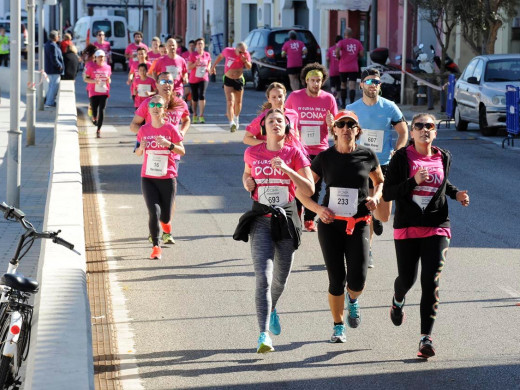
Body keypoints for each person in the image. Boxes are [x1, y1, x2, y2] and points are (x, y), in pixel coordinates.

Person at [382, 113, 470, 358]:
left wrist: (456, 195)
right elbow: (388, 193)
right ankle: (398, 299)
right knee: (407, 279)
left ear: (435, 132)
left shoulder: (443, 156)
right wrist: (413, 181)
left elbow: (443, 184)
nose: (424, 130)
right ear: (412, 132)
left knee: (431, 282)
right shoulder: (401, 158)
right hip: (407, 227)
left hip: (437, 225)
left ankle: (425, 339)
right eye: (419, 126)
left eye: (429, 126)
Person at [296, 110, 384, 344]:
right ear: (334, 129)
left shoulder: (367, 155)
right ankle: (337, 325)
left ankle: (352, 300)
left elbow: (379, 181)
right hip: (331, 224)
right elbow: (302, 191)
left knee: (358, 279)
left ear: (357, 130)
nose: (346, 128)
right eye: (341, 124)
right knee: (336, 279)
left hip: (359, 223)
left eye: (350, 125)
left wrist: (376, 198)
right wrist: (317, 210)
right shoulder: (324, 158)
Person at [233, 108, 314, 353]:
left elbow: (309, 189)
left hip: (287, 220)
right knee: (264, 277)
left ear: (286, 127)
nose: (276, 123)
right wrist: (247, 182)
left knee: (280, 279)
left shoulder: (295, 153)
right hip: (261, 219)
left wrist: (288, 170)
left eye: (280, 120)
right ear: (263, 127)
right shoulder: (252, 152)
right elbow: (247, 175)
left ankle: (272, 307)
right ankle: (263, 334)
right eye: (271, 120)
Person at [347, 68, 408, 268]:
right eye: (369, 82)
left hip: (384, 165)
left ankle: (377, 218)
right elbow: (345, 134)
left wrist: (398, 151)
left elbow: (403, 132)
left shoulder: (390, 107)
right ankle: (368, 249)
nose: (373, 85)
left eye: (376, 82)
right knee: (364, 208)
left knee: (382, 215)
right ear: (362, 84)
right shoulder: (352, 108)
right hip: (361, 165)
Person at [285, 63, 338, 232]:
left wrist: (332, 124)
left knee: (315, 185)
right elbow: (285, 119)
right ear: (306, 81)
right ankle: (298, 212)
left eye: (319, 81)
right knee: (298, 185)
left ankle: (309, 218)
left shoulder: (328, 99)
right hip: (299, 149)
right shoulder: (295, 97)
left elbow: (335, 126)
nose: (316, 84)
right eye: (313, 80)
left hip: (319, 150)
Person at [135, 95, 185, 260]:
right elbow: (137, 153)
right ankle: (156, 247)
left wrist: (168, 144)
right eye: (152, 105)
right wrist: (141, 148)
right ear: (148, 109)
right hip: (148, 177)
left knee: (165, 216)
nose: (155, 107)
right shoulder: (143, 130)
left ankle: (167, 225)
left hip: (167, 176)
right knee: (153, 212)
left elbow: (182, 151)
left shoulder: (171, 129)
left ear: (164, 110)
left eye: (159, 105)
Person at [209, 42, 252, 132]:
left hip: (239, 79)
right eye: (240, 52)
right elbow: (220, 56)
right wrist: (213, 67)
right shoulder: (228, 51)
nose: (242, 54)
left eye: (244, 52)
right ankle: (231, 122)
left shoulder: (245, 55)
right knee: (230, 102)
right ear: (235, 49)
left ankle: (236, 118)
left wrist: (245, 61)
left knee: (238, 102)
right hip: (228, 79)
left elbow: (249, 67)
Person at [243, 82, 299, 146]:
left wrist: (297, 148)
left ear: (285, 96)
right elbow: (246, 139)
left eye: (280, 96)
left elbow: (296, 134)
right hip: (270, 154)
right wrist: (268, 144)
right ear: (269, 99)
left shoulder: (293, 114)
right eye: (274, 97)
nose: (278, 100)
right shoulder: (264, 117)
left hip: (289, 154)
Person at [83, 49, 112, 138]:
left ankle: (98, 129)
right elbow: (85, 79)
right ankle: (94, 117)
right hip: (93, 91)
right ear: (95, 58)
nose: (101, 59)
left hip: (104, 91)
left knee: (102, 109)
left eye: (102, 57)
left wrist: (108, 80)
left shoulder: (108, 67)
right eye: (99, 57)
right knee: (94, 108)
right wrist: (94, 81)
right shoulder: (91, 67)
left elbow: (109, 79)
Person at [335, 27, 364, 107]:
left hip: (343, 67)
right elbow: (362, 54)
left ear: (345, 35)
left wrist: (338, 57)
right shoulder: (357, 42)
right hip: (353, 67)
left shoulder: (341, 42)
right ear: (352, 34)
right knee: (352, 85)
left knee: (343, 85)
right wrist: (356, 56)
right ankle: (351, 103)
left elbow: (337, 50)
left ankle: (343, 104)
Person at [187, 38, 211, 123]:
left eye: (201, 44)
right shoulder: (193, 55)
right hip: (194, 79)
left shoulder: (207, 54)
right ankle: (195, 114)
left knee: (202, 95)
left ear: (204, 45)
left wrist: (208, 68)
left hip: (204, 77)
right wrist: (195, 64)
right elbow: (189, 67)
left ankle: (201, 115)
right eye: (198, 44)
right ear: (196, 46)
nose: (200, 45)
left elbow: (209, 62)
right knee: (195, 97)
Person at [44, 30, 64, 107]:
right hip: (54, 69)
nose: (59, 37)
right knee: (54, 86)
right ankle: (49, 102)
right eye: (58, 36)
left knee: (51, 86)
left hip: (51, 69)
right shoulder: (52, 45)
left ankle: (48, 101)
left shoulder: (49, 44)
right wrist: (59, 66)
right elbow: (54, 58)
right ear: (55, 37)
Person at [326, 35, 342, 104]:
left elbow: (327, 59)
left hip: (332, 70)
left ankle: (333, 91)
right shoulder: (341, 49)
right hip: (340, 70)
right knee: (339, 85)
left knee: (332, 84)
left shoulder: (330, 49)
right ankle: (337, 98)